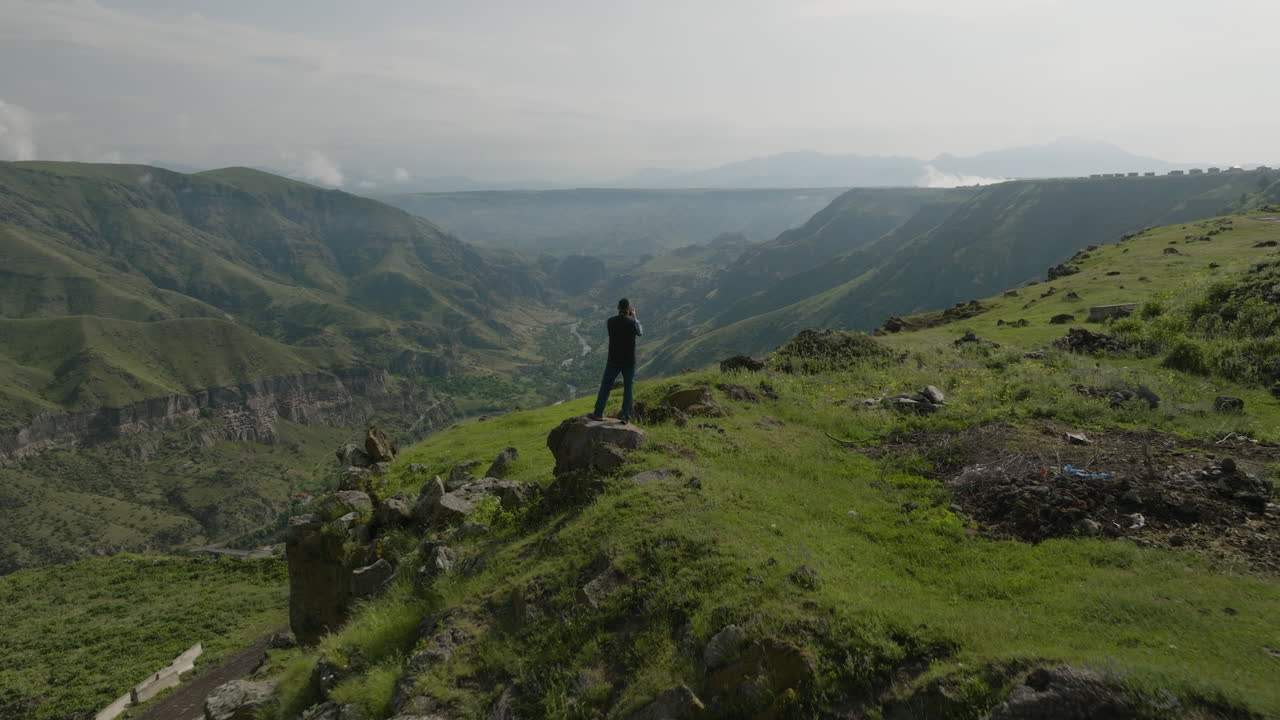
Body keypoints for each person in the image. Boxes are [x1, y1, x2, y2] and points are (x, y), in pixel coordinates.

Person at [587, 298, 643, 423]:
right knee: (628, 387)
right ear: (628, 309)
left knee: (606, 386)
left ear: (618, 308)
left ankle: (598, 413)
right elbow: (640, 332)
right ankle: (625, 416)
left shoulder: (610, 321)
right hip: (629, 360)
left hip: (613, 360)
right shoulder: (632, 322)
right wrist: (634, 317)